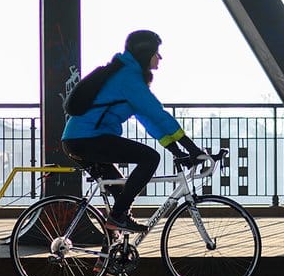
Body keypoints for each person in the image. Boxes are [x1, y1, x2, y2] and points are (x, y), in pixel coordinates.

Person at [61, 29, 205, 233]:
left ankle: (108, 257)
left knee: (121, 194)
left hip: (79, 139)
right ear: (146, 54)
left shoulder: (127, 74)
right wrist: (193, 148)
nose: (160, 57)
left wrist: (178, 151)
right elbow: (158, 114)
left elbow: (150, 120)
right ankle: (118, 218)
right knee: (150, 158)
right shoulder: (129, 78)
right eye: (157, 52)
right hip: (87, 138)